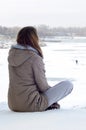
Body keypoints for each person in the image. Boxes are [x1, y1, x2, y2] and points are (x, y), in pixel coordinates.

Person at [8, 26, 73, 112]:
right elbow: (42, 86)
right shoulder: (34, 58)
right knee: (68, 84)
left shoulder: (12, 55)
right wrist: (52, 98)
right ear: (34, 39)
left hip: (13, 104)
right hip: (31, 105)